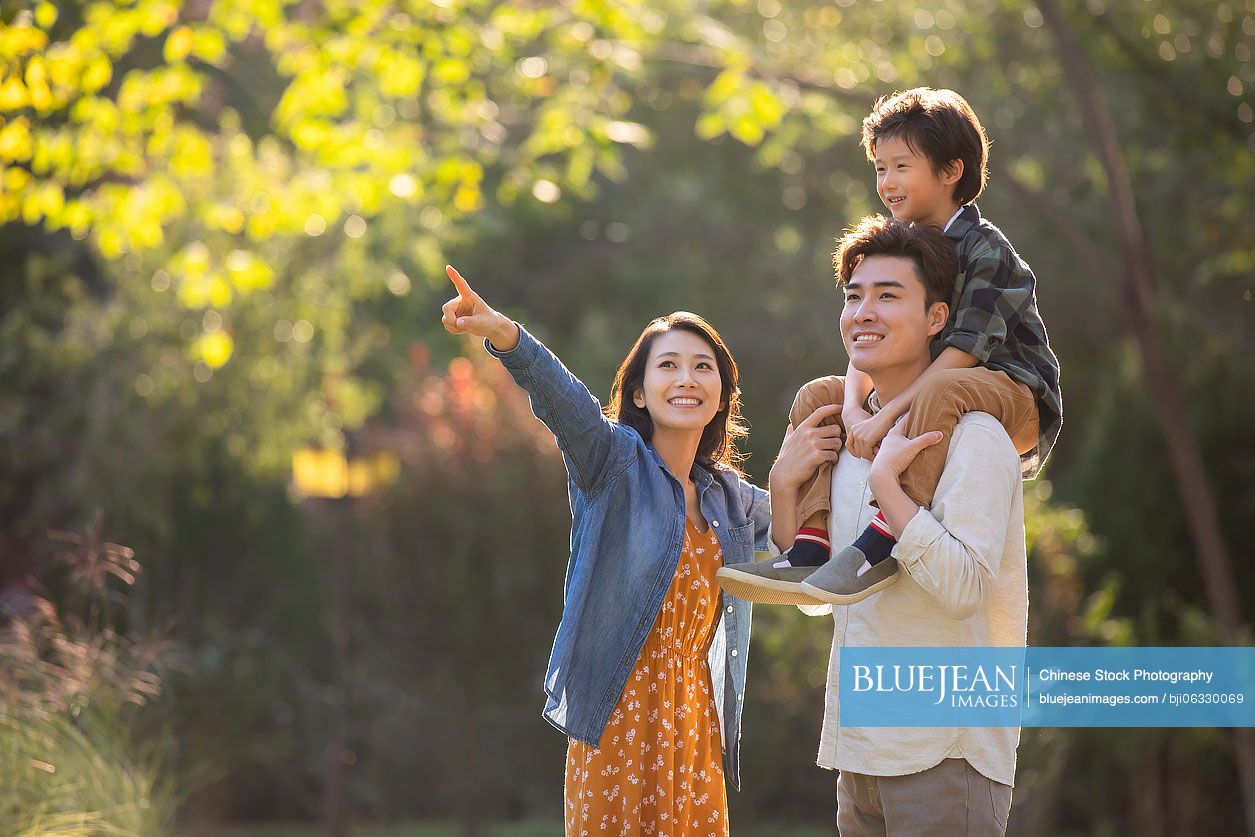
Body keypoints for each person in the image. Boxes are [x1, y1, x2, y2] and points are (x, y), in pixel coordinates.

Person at [440, 265, 795, 836]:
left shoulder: (728, 498)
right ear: (639, 390)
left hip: (694, 719)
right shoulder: (613, 464)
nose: (687, 378)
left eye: (703, 367)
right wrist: (505, 334)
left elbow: (796, 534)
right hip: (619, 709)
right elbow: (566, 403)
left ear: (723, 394)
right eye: (669, 366)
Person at [719, 87, 1061, 606]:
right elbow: (865, 348)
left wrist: (882, 420)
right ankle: (811, 545)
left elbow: (962, 352)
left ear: (951, 171)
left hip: (1013, 389)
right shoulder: (902, 243)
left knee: (944, 386)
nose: (887, 183)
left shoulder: (986, 248)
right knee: (819, 396)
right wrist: (854, 409)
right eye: (880, 169)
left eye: (901, 166)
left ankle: (883, 537)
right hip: (937, 387)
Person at [766, 217, 1028, 834]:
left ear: (938, 319)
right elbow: (819, 595)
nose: (864, 311)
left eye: (888, 295)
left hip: (946, 752)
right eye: (854, 296)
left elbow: (965, 590)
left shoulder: (973, 436)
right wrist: (784, 488)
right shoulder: (846, 433)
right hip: (859, 751)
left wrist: (893, 496)